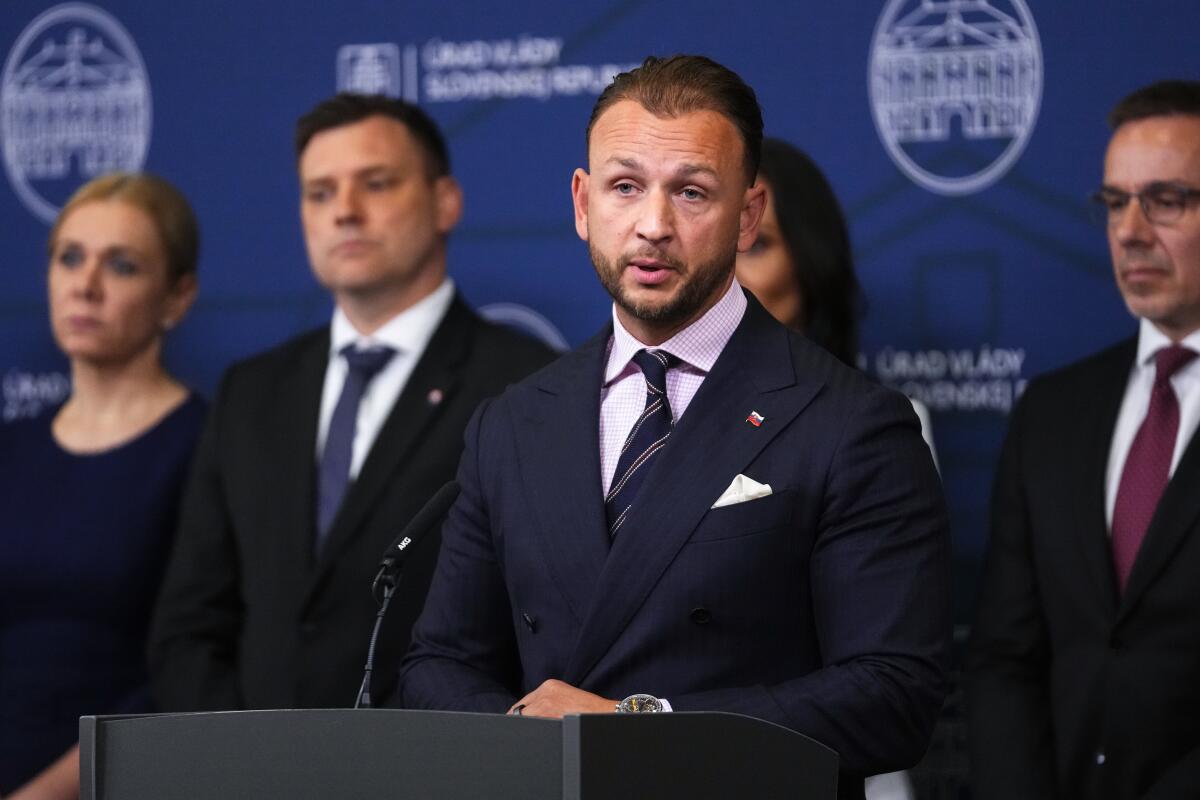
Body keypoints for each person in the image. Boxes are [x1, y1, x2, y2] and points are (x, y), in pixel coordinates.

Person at [399, 55, 951, 797]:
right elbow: (437, 663)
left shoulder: (850, 423)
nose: (653, 226)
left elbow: (893, 695)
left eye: (691, 192)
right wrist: (525, 743)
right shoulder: (511, 422)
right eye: (626, 187)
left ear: (748, 213)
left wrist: (635, 728)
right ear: (582, 203)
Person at [148, 94, 554, 712]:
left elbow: (541, 624)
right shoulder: (250, 393)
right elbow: (189, 625)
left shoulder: (525, 387)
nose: (344, 212)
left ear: (446, 201)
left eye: (376, 183)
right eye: (319, 192)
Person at [967, 80, 1200, 799]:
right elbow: (1006, 657)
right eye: (1114, 202)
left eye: (1165, 200)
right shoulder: (1052, 412)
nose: (1129, 230)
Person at [0, 173, 204, 798]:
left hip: (124, 781)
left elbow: (185, 667)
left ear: (177, 297)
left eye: (121, 265)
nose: (85, 286)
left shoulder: (209, 446)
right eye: (70, 258)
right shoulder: (12, 447)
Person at [735, 137, 937, 467]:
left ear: (811, 259)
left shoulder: (883, 427)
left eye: (756, 246)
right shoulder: (651, 418)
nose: (726, 275)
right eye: (715, 246)